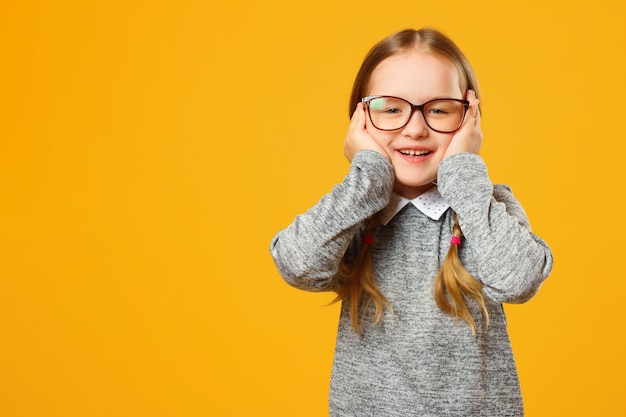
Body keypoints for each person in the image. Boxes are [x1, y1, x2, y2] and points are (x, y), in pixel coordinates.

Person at [269, 27, 553, 417]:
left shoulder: (483, 206)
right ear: (360, 118)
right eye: (390, 108)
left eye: (439, 109)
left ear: (470, 117)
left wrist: (463, 173)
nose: (415, 127)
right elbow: (298, 264)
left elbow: (519, 280)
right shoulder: (355, 213)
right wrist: (367, 174)